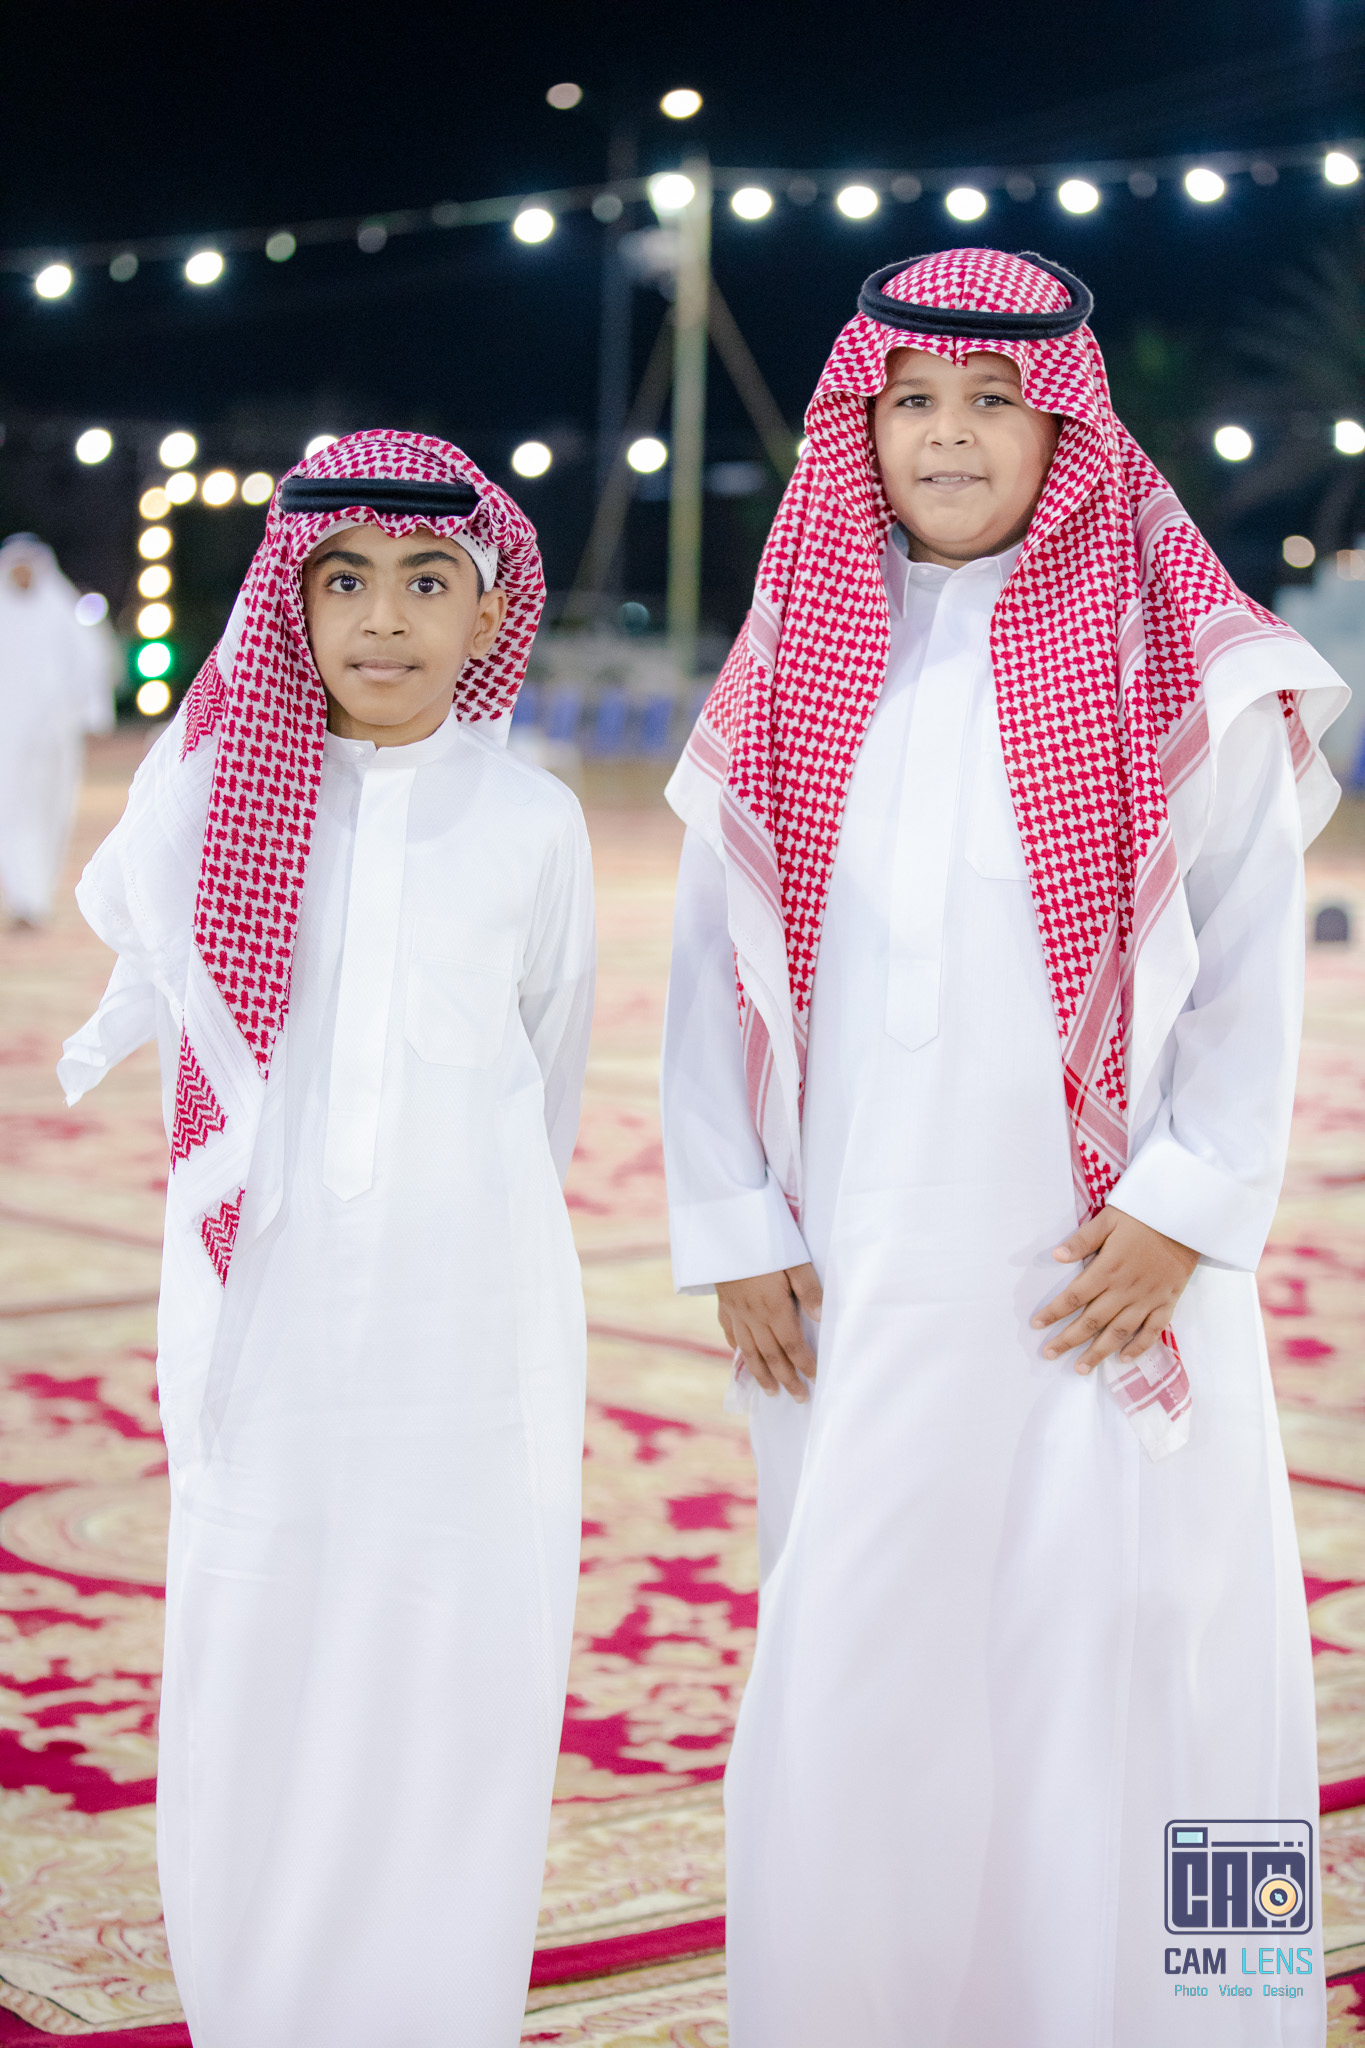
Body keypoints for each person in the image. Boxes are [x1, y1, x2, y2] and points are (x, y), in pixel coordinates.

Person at [659, 249, 1348, 2046]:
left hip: (1105, 1272)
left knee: (1149, 1639)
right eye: (913, 401)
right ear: (862, 424)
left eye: (992, 401)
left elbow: (1249, 958)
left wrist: (1186, 1207)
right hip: (860, 1267)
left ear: (1066, 430)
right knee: (868, 1645)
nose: (949, 434)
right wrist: (733, 1219)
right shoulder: (799, 662)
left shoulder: (1173, 655)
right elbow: (711, 958)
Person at [57, 432, 595, 2048]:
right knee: (262, 1654)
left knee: (450, 1669)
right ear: (287, 605)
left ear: (486, 609)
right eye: (342, 579)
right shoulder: (213, 808)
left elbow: (550, 1081)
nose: (382, 617)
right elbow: (142, 913)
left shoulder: (536, 824)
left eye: (428, 581)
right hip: (264, 1326)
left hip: (470, 1333)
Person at [0, 533, 115, 927]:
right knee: (10, 814)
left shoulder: (60, 612)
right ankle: (25, 899)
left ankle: (37, 896)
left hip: (55, 738)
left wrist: (91, 716)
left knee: (52, 814)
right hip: (7, 738)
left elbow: (92, 663)